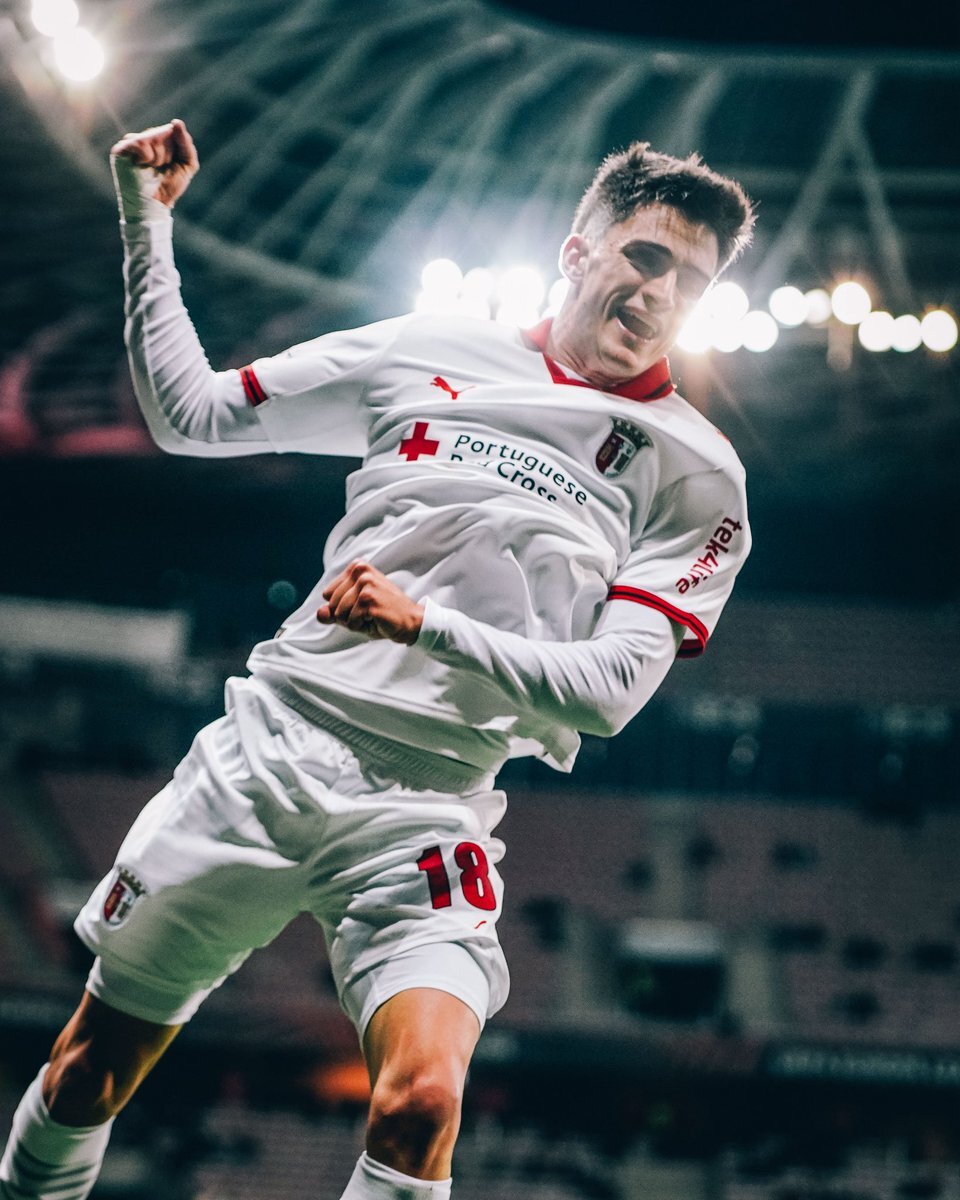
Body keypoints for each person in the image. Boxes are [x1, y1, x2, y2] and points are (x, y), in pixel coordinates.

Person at [0, 119, 755, 1200]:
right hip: (268, 755)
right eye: (645, 256)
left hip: (428, 805)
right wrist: (146, 223)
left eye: (692, 280)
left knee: (422, 1106)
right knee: (88, 1072)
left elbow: (609, 697)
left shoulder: (696, 472)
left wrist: (425, 625)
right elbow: (190, 414)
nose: (662, 292)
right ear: (578, 249)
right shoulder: (428, 348)